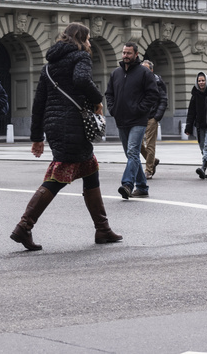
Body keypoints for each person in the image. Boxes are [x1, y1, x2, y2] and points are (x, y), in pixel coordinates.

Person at [12, 22, 121, 250]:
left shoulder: (49, 67)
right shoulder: (80, 57)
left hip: (54, 126)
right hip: (73, 124)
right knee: (58, 176)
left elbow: (38, 103)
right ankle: (24, 227)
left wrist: (37, 137)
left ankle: (102, 228)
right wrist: (97, 100)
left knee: (90, 169)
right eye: (88, 39)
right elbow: (82, 80)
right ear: (80, 39)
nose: (90, 43)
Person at [105, 43, 161, 199]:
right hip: (121, 120)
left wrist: (140, 109)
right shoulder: (116, 73)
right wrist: (113, 109)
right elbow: (109, 94)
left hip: (138, 120)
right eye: (123, 52)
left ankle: (127, 184)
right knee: (131, 155)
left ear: (136, 54)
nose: (125, 55)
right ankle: (142, 187)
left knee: (132, 152)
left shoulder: (144, 73)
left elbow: (153, 94)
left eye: (129, 53)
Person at [142, 59, 168, 179]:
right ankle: (153, 161)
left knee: (150, 145)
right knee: (137, 144)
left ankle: (148, 170)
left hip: (152, 117)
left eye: (146, 69)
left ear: (151, 70)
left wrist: (157, 117)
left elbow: (163, 100)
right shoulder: (139, 81)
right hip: (140, 117)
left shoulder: (157, 82)